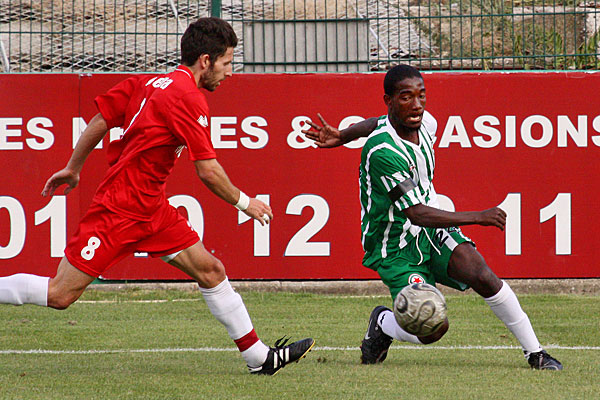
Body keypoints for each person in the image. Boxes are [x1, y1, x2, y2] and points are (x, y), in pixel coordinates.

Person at [0, 17, 314, 376]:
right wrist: (246, 203)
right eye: (227, 63)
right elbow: (208, 170)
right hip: (118, 210)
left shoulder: (147, 82)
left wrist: (74, 167)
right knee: (60, 295)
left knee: (211, 270)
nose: (230, 73)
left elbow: (102, 118)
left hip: (152, 209)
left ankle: (258, 357)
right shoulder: (187, 97)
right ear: (206, 61)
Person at [302, 64, 562, 370]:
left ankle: (536, 353)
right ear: (389, 100)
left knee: (482, 274)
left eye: (421, 95)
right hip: (395, 247)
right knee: (432, 326)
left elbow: (376, 122)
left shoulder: (426, 124)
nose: (416, 105)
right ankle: (384, 323)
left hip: (428, 231)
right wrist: (477, 216)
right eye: (405, 97)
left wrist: (344, 134)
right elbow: (416, 213)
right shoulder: (382, 152)